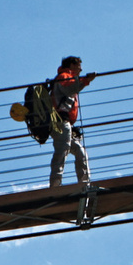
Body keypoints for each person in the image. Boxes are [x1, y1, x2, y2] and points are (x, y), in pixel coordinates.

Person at [47, 56, 98, 187]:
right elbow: (70, 88)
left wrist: (83, 80)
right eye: (79, 65)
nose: (81, 69)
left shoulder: (68, 77)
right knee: (62, 149)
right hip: (60, 122)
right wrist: (86, 80)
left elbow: (72, 86)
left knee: (79, 151)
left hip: (66, 123)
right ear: (71, 65)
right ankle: (55, 185)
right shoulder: (64, 76)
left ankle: (84, 183)